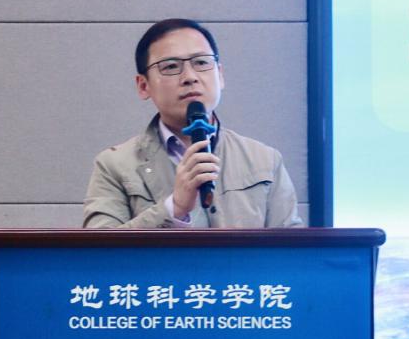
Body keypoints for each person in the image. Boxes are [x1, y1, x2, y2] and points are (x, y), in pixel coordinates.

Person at [83, 18, 304, 229]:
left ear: (220, 75)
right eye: (171, 66)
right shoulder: (114, 165)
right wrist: (174, 208)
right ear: (143, 86)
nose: (190, 77)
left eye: (201, 62)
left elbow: (293, 250)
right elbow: (98, 251)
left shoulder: (265, 160)